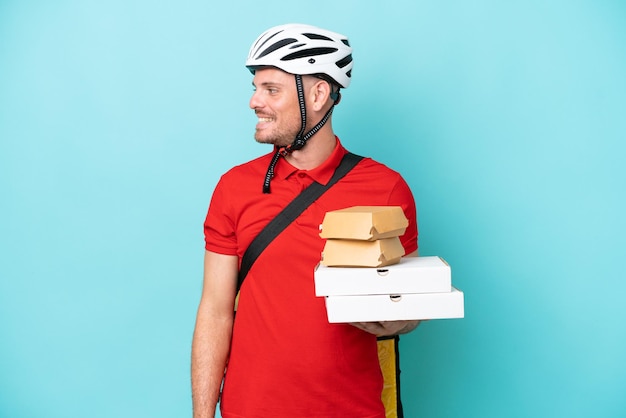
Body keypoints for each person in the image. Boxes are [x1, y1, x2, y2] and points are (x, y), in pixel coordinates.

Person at [191, 23, 420, 418]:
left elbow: (408, 302)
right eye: (255, 87)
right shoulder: (234, 187)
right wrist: (201, 413)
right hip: (250, 409)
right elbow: (214, 310)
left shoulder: (386, 188)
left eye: (271, 89)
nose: (254, 102)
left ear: (317, 95)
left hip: (352, 409)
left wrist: (400, 321)